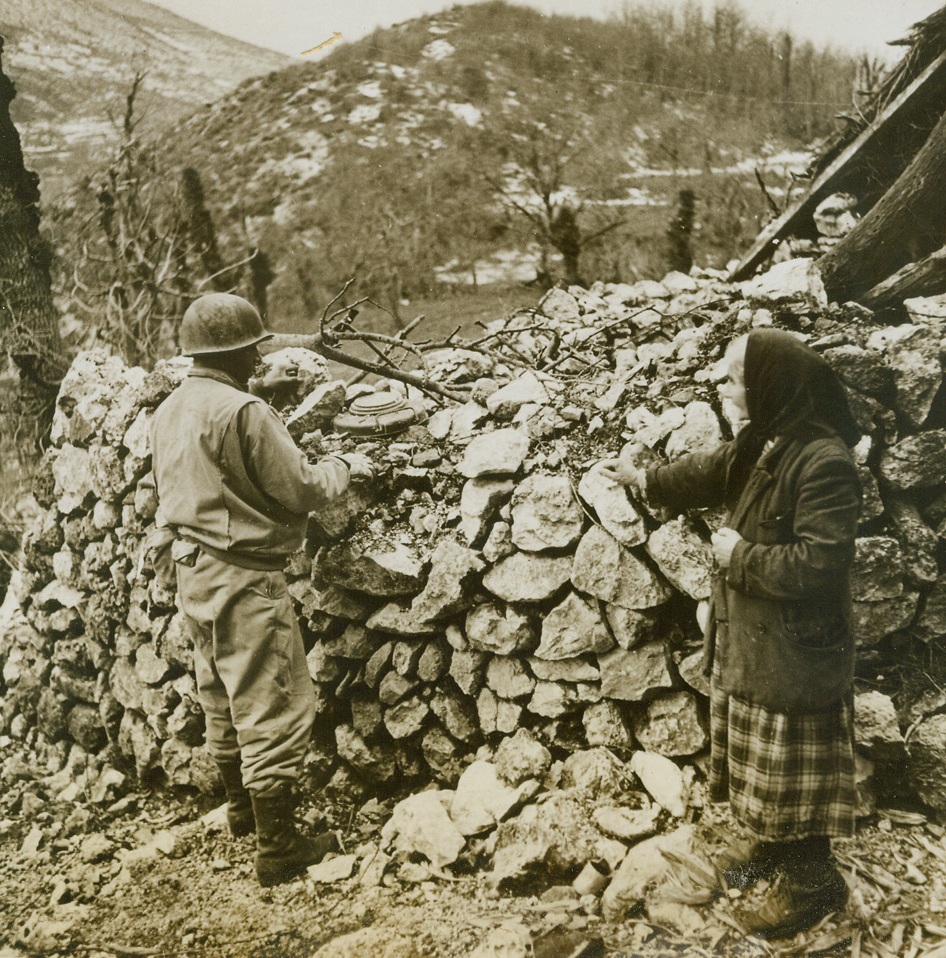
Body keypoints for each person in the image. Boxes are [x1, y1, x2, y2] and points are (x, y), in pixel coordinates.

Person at [601, 328, 862, 939]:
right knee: (763, 765)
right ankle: (773, 851)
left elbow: (820, 565)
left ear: (770, 386)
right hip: (761, 646)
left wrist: (739, 555)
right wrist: (643, 479)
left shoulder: (824, 462)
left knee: (793, 767)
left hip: (796, 651)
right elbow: (709, 470)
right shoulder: (764, 441)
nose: (722, 385)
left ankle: (813, 883)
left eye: (733, 377)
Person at [149, 293, 374, 887]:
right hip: (244, 575)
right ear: (240, 351)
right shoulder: (244, 411)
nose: (260, 356)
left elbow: (212, 457)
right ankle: (279, 848)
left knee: (220, 690)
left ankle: (243, 812)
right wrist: (348, 466)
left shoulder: (171, 408)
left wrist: (263, 403)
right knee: (270, 700)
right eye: (254, 348)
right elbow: (300, 488)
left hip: (193, 568)